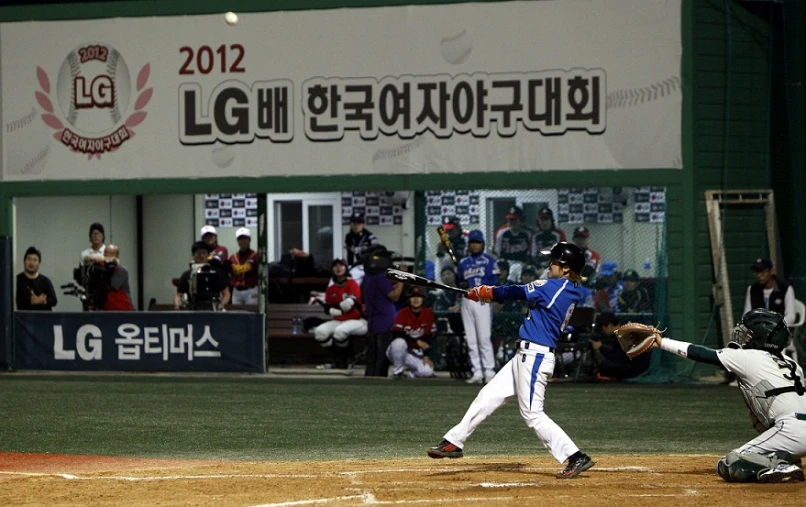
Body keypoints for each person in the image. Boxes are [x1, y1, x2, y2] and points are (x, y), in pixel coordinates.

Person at [427, 242, 596, 479]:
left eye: (555, 262)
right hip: (524, 356)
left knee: (533, 414)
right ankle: (454, 441)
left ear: (566, 269)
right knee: (488, 395)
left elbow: (515, 291)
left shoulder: (556, 287)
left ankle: (575, 456)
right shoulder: (568, 288)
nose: (549, 265)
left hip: (535, 355)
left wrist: (486, 291)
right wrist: (486, 293)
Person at [652, 308, 805, 483]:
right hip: (794, 429)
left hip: (791, 430)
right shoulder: (793, 364)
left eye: (749, 333)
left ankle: (780, 463)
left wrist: (662, 342)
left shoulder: (747, 357)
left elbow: (701, 353)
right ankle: (790, 458)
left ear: (762, 336)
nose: (743, 336)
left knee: (730, 462)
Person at [458, 230, 498, 384]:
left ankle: (489, 371)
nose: (474, 245)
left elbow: (494, 282)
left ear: (483, 244)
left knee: (484, 338)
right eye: (472, 242)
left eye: (477, 242)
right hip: (467, 301)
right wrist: (461, 284)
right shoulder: (463, 262)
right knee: (471, 338)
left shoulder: (489, 261)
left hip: (482, 300)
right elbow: (458, 281)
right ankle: (477, 371)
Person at [312, 258, 367, 369]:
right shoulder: (331, 289)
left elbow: (348, 305)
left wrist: (335, 309)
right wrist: (332, 308)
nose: (338, 268)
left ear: (346, 268)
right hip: (339, 320)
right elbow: (328, 309)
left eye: (341, 265)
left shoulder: (352, 283)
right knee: (319, 332)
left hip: (357, 320)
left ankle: (348, 358)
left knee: (339, 332)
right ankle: (339, 359)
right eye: (335, 266)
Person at [361, 246, 405, 376]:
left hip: (374, 320)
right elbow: (394, 295)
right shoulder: (380, 276)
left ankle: (370, 378)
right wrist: (401, 278)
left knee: (372, 355)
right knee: (382, 354)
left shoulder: (367, 276)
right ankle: (379, 379)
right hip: (385, 321)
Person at [386, 287, 437, 379]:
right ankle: (398, 372)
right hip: (397, 351)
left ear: (423, 299)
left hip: (415, 353)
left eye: (419, 296)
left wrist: (427, 356)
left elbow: (430, 337)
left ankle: (409, 375)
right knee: (399, 342)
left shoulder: (428, 313)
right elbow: (397, 334)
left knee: (427, 372)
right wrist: (416, 341)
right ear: (409, 299)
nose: (416, 299)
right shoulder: (403, 313)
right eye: (413, 297)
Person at [589, 312, 650, 380]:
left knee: (604, 366)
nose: (602, 331)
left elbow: (616, 359)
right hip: (639, 365)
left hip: (637, 368)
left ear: (609, 325)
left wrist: (601, 347)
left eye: (602, 328)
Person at [174, 241, 231, 310]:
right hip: (193, 308)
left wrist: (221, 305)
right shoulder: (187, 275)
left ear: (208, 255)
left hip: (213, 308)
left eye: (204, 253)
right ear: (193, 256)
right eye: (198, 253)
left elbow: (226, 293)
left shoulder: (217, 273)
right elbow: (178, 295)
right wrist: (177, 306)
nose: (201, 256)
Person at [744, 257, 796, 326]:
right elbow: (746, 315)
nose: (759, 275)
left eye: (762, 271)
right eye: (756, 272)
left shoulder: (786, 289)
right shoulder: (752, 289)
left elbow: (791, 317)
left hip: (778, 331)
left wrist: (772, 326)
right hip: (757, 330)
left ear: (771, 271)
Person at [86, 244, 134, 311]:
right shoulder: (100, 268)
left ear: (116, 256)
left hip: (123, 309)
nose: (108, 255)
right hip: (106, 310)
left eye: (111, 254)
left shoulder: (121, 270)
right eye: (106, 253)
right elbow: (87, 258)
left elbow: (107, 286)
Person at [493, 206, 532, 283]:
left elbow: (530, 253)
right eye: (509, 219)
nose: (511, 222)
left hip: (521, 263)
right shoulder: (501, 232)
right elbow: (495, 253)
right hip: (505, 263)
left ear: (521, 220)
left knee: (516, 269)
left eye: (514, 220)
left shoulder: (528, 233)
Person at [16, 246, 57, 311]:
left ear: (39, 263)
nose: (31, 262)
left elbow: (54, 300)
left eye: (35, 260)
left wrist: (43, 301)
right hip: (23, 318)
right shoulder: (17, 280)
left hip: (43, 319)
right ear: (24, 261)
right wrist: (31, 302)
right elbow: (15, 300)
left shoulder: (45, 281)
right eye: (29, 259)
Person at [229, 227, 259, 306]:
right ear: (237, 241)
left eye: (245, 238)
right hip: (237, 291)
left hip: (251, 290)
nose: (243, 241)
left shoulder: (256, 256)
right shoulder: (233, 257)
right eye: (240, 239)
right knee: (237, 315)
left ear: (249, 240)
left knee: (251, 315)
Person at [435, 216, 467, 285]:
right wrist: (440, 254)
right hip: (454, 266)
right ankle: (441, 286)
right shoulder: (446, 240)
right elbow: (442, 264)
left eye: (451, 229)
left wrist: (453, 252)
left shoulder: (468, 236)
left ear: (457, 227)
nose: (448, 231)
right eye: (447, 229)